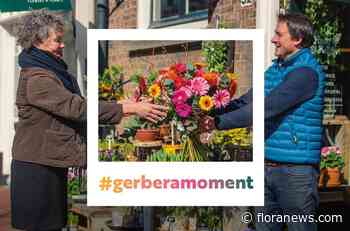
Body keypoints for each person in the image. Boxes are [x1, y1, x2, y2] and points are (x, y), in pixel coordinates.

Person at [11, 10, 167, 231]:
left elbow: (76, 103)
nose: (62, 45)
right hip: (37, 169)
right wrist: (130, 108)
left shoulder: (50, 72)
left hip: (47, 161)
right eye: (57, 40)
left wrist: (123, 103)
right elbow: (77, 108)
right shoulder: (37, 78)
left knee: (53, 225)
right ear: (38, 42)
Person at [202, 13, 325, 231]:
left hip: (295, 173)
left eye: (279, 34)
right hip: (266, 167)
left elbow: (265, 108)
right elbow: (247, 101)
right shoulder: (275, 70)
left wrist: (218, 123)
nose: (273, 39)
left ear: (297, 40)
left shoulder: (305, 73)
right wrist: (208, 108)